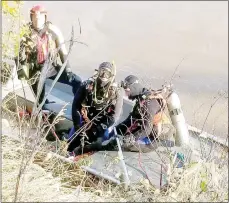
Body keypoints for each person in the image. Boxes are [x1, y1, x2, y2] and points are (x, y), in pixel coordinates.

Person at [16, 5, 82, 105]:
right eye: (34, 18)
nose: (37, 20)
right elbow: (19, 54)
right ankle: (42, 107)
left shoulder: (53, 30)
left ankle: (78, 105)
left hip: (51, 68)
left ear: (45, 17)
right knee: (40, 100)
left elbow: (63, 52)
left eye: (40, 18)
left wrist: (68, 69)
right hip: (35, 72)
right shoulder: (26, 32)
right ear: (31, 17)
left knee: (77, 81)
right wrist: (21, 73)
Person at [105, 75, 175, 152]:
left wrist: (131, 138)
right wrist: (115, 130)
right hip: (147, 129)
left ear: (133, 88)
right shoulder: (141, 99)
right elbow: (131, 119)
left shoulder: (149, 103)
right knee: (123, 136)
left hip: (154, 139)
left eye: (127, 91)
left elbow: (146, 129)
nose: (126, 94)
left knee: (125, 145)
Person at [67, 62, 124, 156]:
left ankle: (81, 154)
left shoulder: (117, 92)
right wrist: (77, 125)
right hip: (87, 117)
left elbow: (115, 116)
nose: (104, 75)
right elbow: (75, 106)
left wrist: (97, 129)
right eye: (102, 72)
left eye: (107, 73)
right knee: (73, 138)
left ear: (112, 75)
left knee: (98, 143)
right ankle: (70, 150)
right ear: (98, 72)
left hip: (104, 121)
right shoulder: (87, 85)